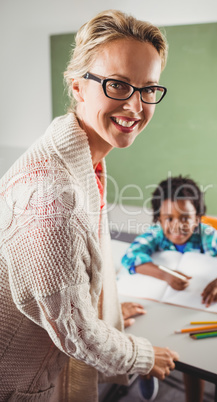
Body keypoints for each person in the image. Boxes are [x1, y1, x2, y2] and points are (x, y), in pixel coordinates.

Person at [0, 10, 179, 402]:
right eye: (118, 85)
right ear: (78, 86)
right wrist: (143, 355)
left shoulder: (82, 155)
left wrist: (103, 309)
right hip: (17, 381)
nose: (135, 106)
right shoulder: (51, 197)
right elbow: (77, 334)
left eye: (148, 89)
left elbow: (71, 276)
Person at [121, 174, 217, 402]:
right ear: (159, 218)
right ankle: (145, 373)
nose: (176, 226)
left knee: (193, 363)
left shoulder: (207, 236)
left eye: (185, 218)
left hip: (193, 314)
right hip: (158, 309)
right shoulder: (157, 235)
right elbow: (131, 256)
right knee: (143, 339)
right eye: (168, 218)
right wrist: (164, 274)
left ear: (198, 219)